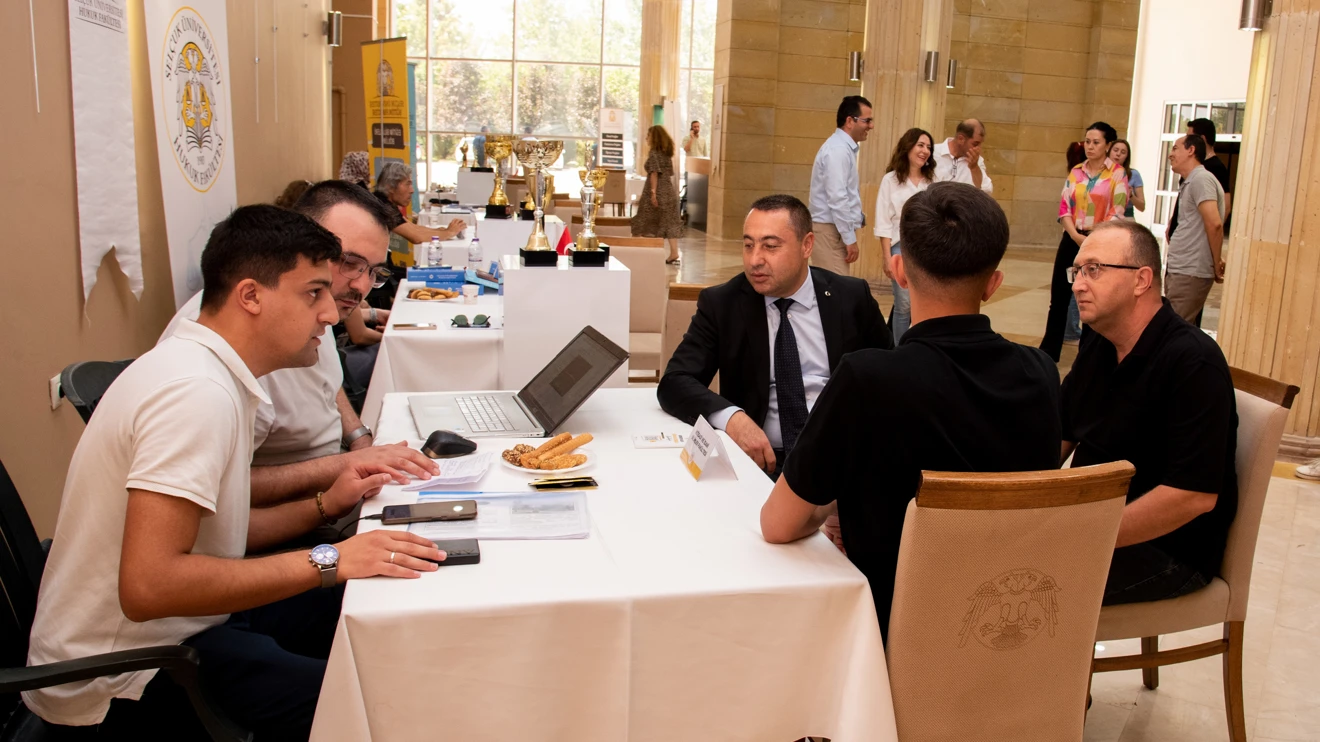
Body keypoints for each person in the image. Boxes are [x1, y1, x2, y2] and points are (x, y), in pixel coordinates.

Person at [24, 205, 446, 739]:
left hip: (185, 628)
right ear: (250, 296)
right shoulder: (196, 394)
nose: (331, 316)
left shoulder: (208, 369)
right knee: (384, 702)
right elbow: (150, 586)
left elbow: (217, 534)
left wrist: (327, 506)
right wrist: (331, 557)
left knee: (380, 608)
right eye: (312, 293)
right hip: (129, 673)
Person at [759, 182, 1061, 637]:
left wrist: (829, 506)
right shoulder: (1041, 372)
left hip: (890, 632)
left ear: (900, 271)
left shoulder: (867, 379)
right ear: (994, 284)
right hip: (1009, 625)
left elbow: (778, 523)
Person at [162, 181, 440, 508]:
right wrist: (336, 483)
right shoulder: (231, 342)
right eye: (348, 262)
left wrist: (358, 439)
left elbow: (326, 383)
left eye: (374, 272)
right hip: (290, 509)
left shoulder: (312, 308)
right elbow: (222, 495)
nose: (362, 285)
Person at [1061, 219, 1237, 606]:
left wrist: (1085, 535)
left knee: (1019, 585)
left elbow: (1192, 496)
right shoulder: (1100, 342)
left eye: (1094, 270)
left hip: (1169, 549)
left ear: (1141, 280)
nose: (1077, 284)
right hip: (1091, 523)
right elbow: (1060, 431)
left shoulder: (1193, 362)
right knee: (980, 552)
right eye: (1077, 271)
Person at [658, 194, 892, 478]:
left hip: (844, 461)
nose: (755, 260)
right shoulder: (724, 304)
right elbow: (675, 382)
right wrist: (733, 418)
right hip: (763, 464)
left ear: (807, 245)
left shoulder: (851, 298)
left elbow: (889, 377)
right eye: (748, 245)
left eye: (770, 246)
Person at [1039, 121, 1128, 362]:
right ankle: (1048, 354)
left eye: (1096, 142)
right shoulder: (1076, 171)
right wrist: (1076, 236)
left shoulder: (1117, 174)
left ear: (1108, 145)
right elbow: (1064, 207)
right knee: (1058, 297)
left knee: (1093, 297)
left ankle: (1088, 356)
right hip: (1072, 238)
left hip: (1100, 242)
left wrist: (1091, 238)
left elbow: (1117, 211)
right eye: (1087, 141)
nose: (1090, 146)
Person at [874, 127, 935, 342]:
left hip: (928, 249)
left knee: (923, 303)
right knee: (903, 305)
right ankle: (901, 351)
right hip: (901, 248)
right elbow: (883, 221)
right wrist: (887, 258)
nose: (925, 150)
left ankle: (920, 345)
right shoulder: (890, 180)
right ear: (908, 147)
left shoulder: (933, 181)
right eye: (920, 145)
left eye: (928, 147)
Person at [1164, 134, 1225, 323]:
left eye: (1175, 148)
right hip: (1182, 268)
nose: (1170, 155)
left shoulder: (1201, 179)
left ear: (1191, 150)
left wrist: (1216, 264)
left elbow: (1214, 223)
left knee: (1173, 330)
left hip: (1190, 271)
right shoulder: (1191, 180)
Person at [808, 95, 873, 274]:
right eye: (867, 121)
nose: (871, 126)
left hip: (834, 230)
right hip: (830, 231)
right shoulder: (837, 150)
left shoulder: (842, 148)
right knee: (835, 293)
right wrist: (849, 238)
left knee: (835, 292)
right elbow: (837, 198)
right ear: (850, 121)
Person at [374, 161, 465, 268]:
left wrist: (442, 231)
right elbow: (416, 237)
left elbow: (413, 228)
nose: (412, 190)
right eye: (407, 184)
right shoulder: (381, 205)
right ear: (390, 187)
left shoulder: (383, 201)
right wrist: (449, 233)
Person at [632, 125, 684, 264]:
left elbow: (654, 173)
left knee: (644, 220)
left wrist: (653, 193)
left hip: (658, 190)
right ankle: (674, 252)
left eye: (648, 135)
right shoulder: (666, 153)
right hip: (668, 190)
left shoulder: (654, 153)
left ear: (654, 137)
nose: (646, 138)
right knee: (669, 222)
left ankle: (642, 250)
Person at [1186, 118, 1233, 222]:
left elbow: (1226, 206)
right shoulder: (1191, 164)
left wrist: (1211, 234)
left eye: (1190, 138)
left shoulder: (1216, 168)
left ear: (1202, 139)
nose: (1186, 142)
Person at [932, 119, 993, 193]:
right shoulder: (932, 153)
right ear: (961, 139)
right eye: (975, 144)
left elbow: (987, 190)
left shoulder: (977, 160)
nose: (978, 149)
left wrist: (974, 168)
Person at [1109, 139, 1144, 217]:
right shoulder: (1100, 173)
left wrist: (1131, 195)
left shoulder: (1134, 174)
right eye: (1115, 150)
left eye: (1123, 152)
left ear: (1126, 157)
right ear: (1109, 152)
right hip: (1103, 218)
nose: (1118, 154)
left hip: (1126, 218)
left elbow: (1142, 207)